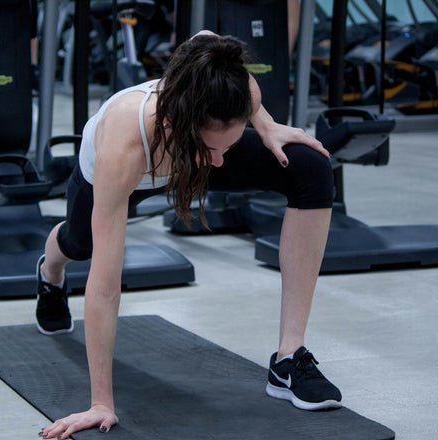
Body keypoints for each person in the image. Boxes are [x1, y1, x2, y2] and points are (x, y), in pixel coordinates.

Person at [37, 31, 341, 439]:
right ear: (172, 121)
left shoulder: (233, 90)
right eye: (212, 150)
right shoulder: (122, 150)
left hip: (184, 150)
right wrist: (101, 404)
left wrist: (265, 125)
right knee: (82, 246)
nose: (218, 163)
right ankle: (49, 271)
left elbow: (206, 39)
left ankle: (288, 358)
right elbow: (106, 286)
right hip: (131, 167)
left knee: (309, 167)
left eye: (226, 147)